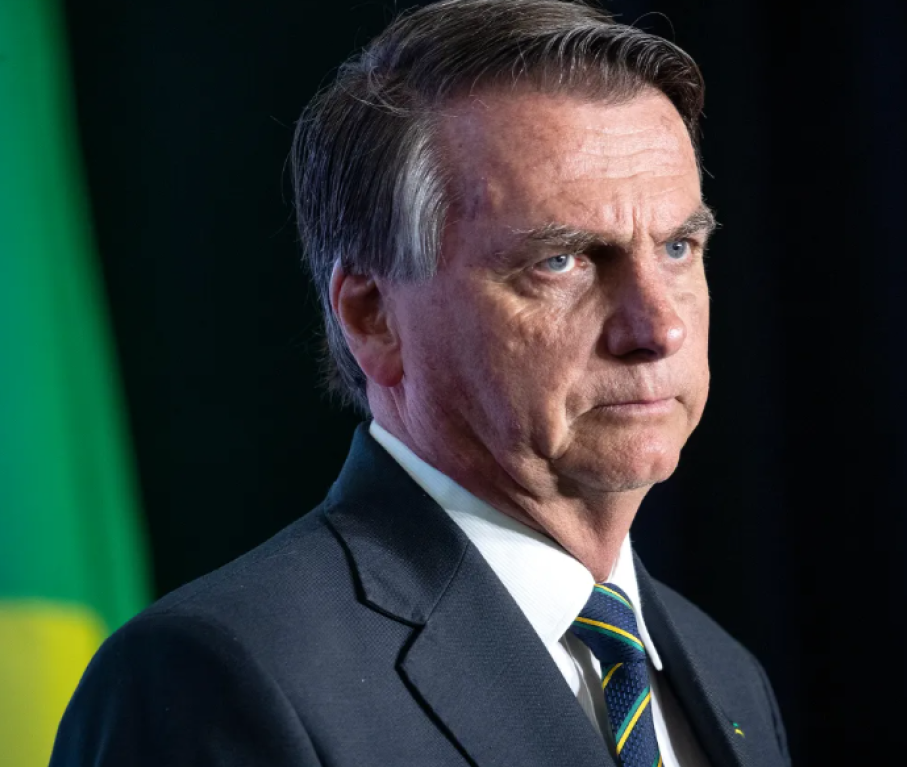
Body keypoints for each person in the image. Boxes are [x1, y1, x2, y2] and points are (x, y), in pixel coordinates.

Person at [50, 1, 791, 765]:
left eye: (677, 247)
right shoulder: (219, 676)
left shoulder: (726, 675)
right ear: (373, 318)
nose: (658, 329)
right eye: (561, 260)